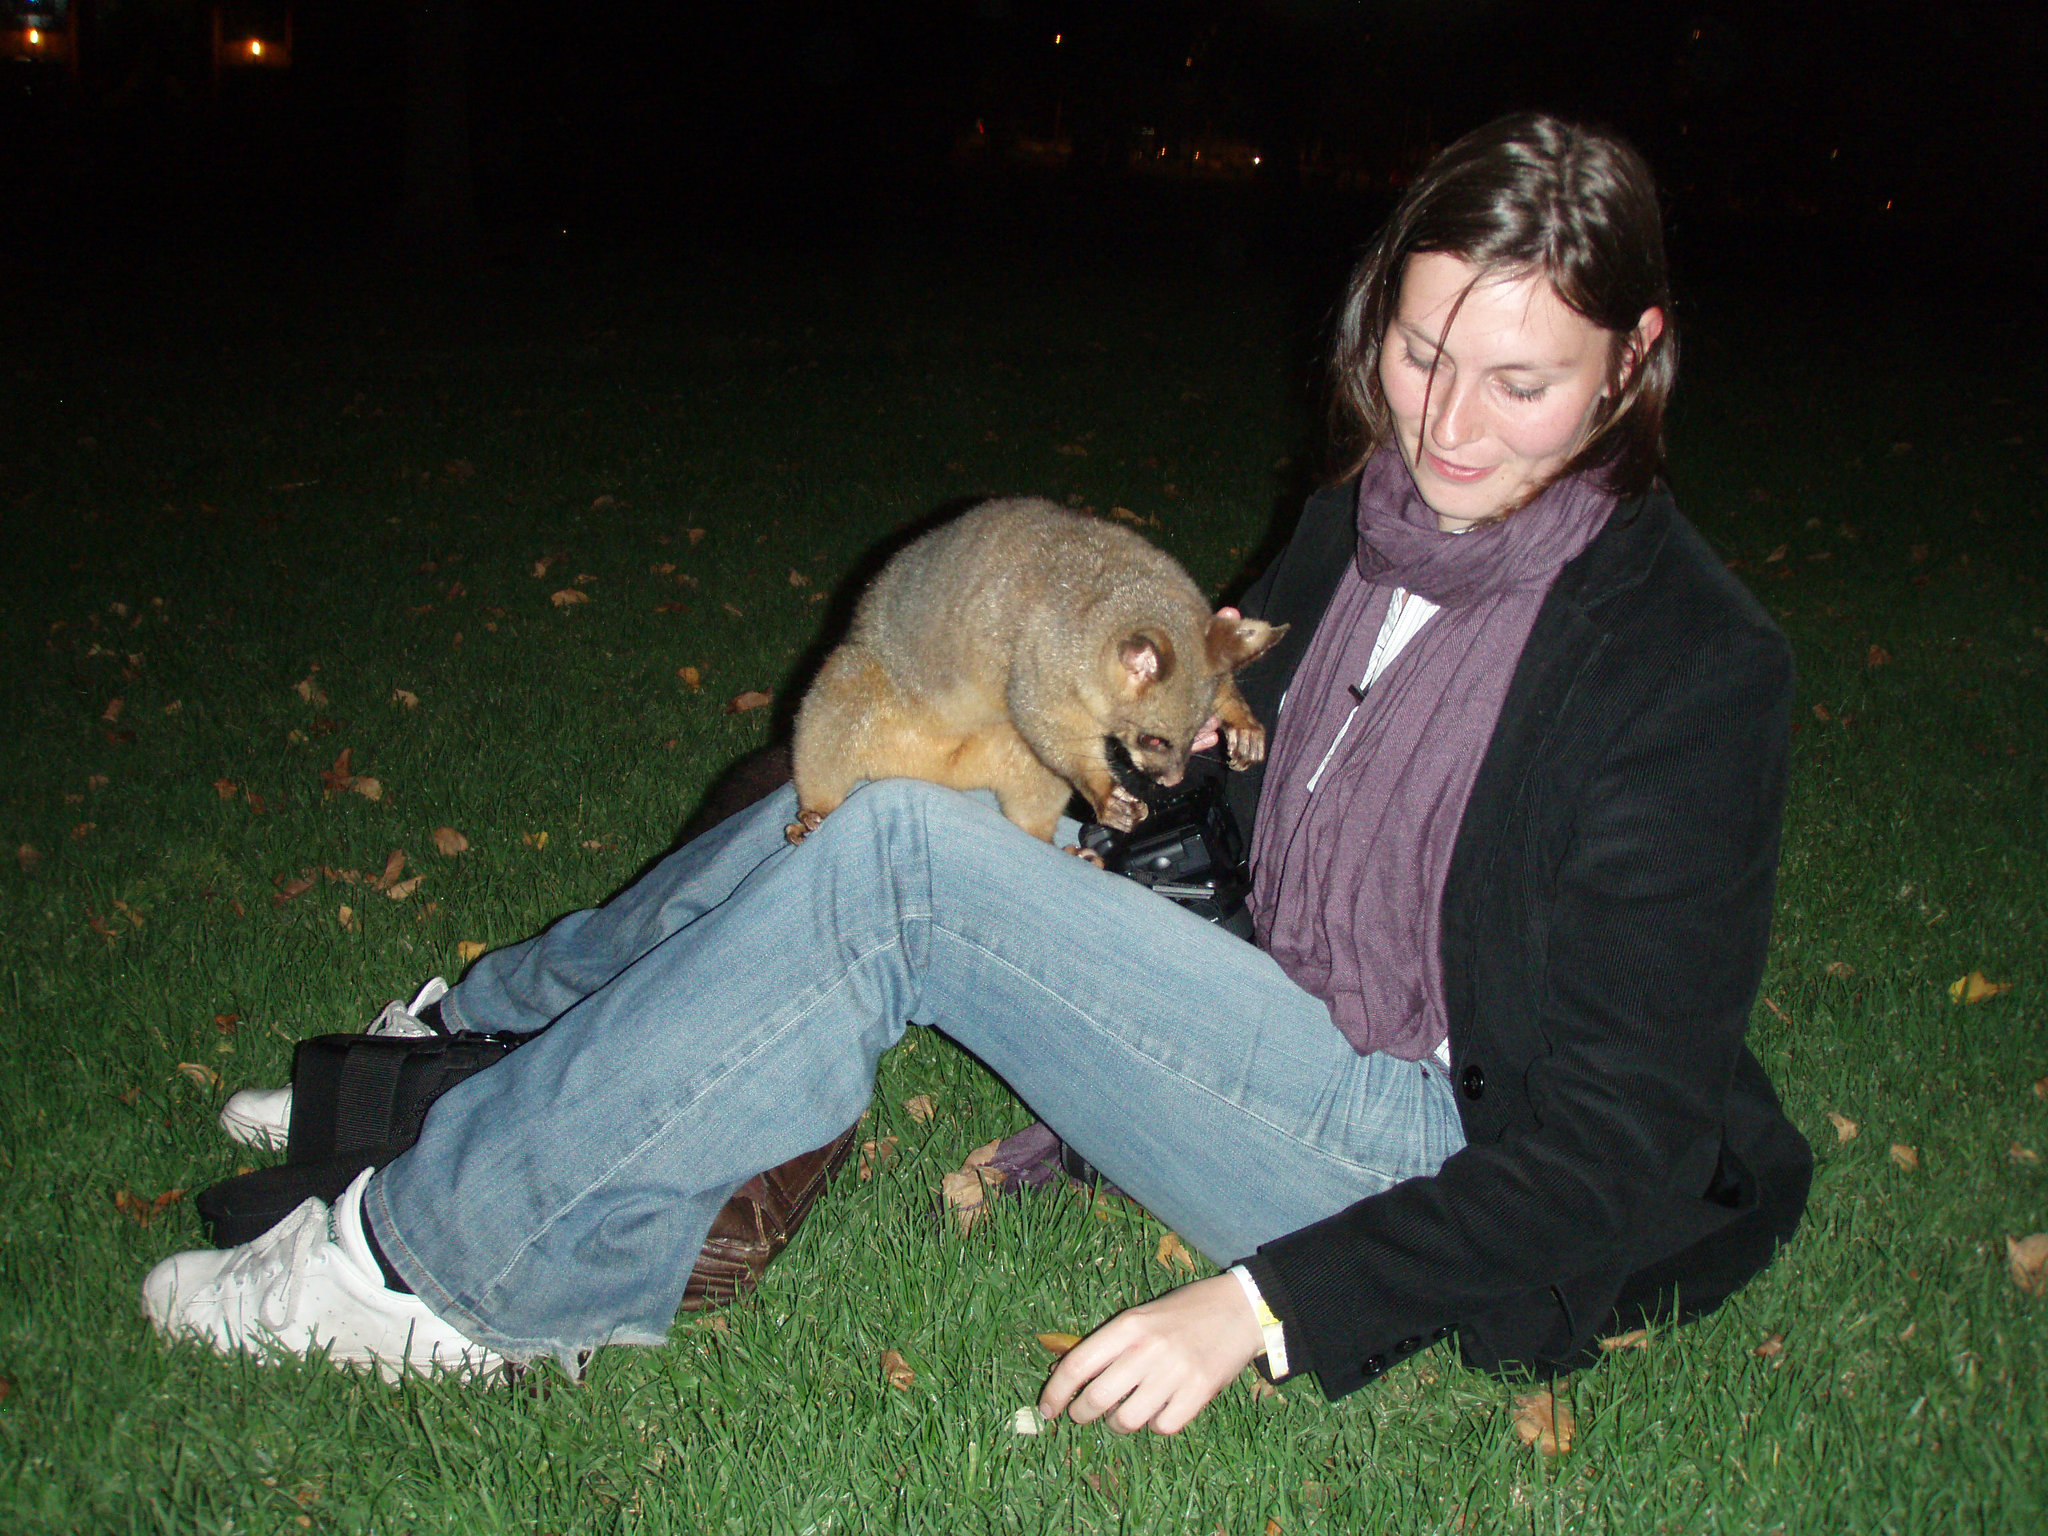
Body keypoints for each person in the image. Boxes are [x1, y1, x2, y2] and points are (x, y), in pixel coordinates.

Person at [142, 111, 1812, 1434]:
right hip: (1272, 1003)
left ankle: (428, 1272)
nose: (1445, 426)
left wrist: (1269, 1303)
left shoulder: (1683, 669)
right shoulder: (1354, 529)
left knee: (904, 869)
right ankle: (464, 1037)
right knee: (867, 786)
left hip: (1416, 1151)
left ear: (1629, 362)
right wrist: (1117, 796)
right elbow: (1235, 810)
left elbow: (1617, 1145)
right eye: (1421, 352)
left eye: (1518, 383)